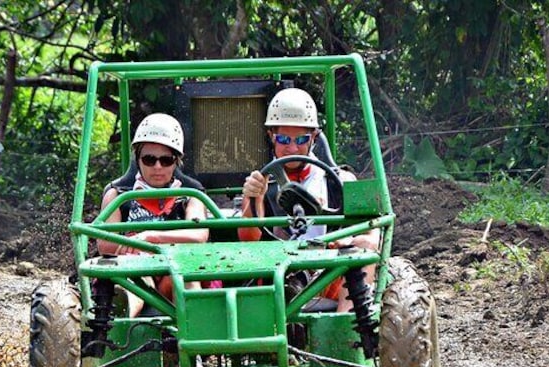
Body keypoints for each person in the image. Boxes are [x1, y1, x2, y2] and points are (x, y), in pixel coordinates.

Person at [238, 88, 380, 312]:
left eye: (301, 139)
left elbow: (373, 233)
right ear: (271, 136)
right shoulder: (260, 183)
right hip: (277, 275)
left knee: (361, 248)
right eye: (284, 139)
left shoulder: (339, 180)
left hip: (328, 274)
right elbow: (249, 240)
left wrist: (347, 240)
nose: (292, 148)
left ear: (314, 137)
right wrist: (254, 198)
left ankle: (347, 335)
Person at [96, 113, 209, 315]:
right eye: (149, 159)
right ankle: (123, 328)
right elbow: (104, 242)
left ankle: (199, 337)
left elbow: (198, 236)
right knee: (132, 284)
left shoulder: (191, 194)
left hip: (175, 267)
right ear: (138, 159)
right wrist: (139, 250)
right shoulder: (119, 193)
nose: (157, 167)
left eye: (165, 160)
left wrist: (150, 237)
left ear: (176, 161)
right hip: (134, 269)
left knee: (185, 279)